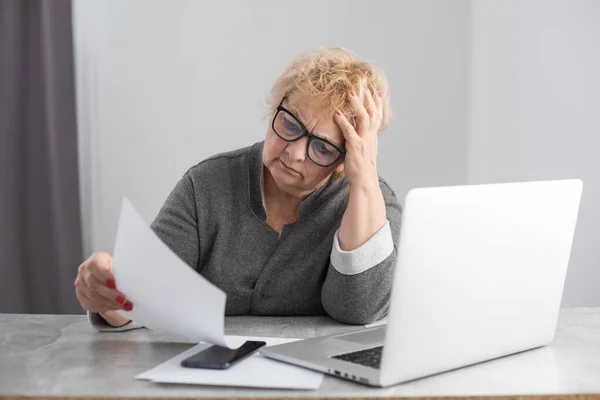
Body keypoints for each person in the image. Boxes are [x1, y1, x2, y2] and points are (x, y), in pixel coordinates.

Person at [74, 47, 402, 330]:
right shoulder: (206, 185)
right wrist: (106, 294)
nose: (295, 152)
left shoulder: (374, 202)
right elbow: (142, 296)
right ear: (275, 107)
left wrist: (364, 182)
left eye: (323, 148)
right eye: (290, 124)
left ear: (348, 158)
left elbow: (358, 309)